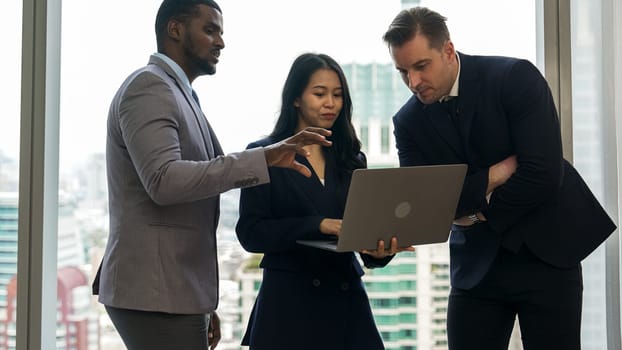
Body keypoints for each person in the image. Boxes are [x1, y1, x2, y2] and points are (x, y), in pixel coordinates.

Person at [91, 1, 333, 350]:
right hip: (155, 293)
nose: (220, 42)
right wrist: (262, 159)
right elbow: (164, 181)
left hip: (174, 292)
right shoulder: (149, 88)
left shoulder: (178, 93)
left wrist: (202, 304)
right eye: (210, 30)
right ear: (175, 29)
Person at [382, 7, 616, 350]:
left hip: (548, 255)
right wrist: (494, 175)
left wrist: (473, 211)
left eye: (421, 66)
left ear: (448, 50)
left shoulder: (515, 77)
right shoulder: (408, 122)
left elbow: (543, 174)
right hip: (476, 271)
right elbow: (426, 206)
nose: (413, 83)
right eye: (403, 72)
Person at [235, 53, 414, 350]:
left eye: (337, 95)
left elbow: (365, 247)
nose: (330, 103)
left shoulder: (352, 158)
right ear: (295, 98)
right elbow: (251, 233)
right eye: (319, 94)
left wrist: (381, 250)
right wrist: (318, 225)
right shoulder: (264, 153)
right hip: (289, 305)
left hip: (345, 300)